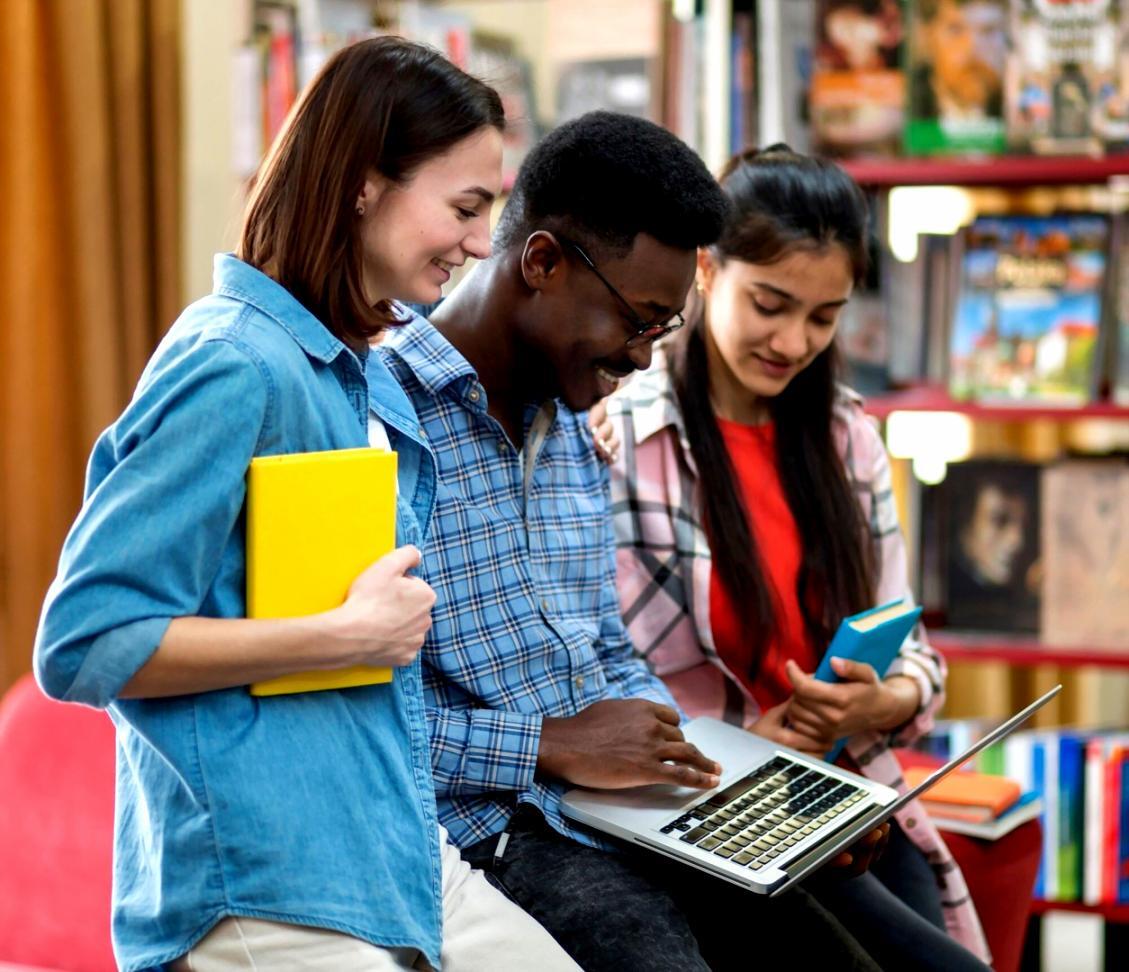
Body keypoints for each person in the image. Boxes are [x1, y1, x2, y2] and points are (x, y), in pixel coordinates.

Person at [33, 37, 580, 972]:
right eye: (464, 206)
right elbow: (84, 644)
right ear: (365, 184)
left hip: (389, 853)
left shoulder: (361, 372)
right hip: (264, 879)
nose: (481, 242)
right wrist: (341, 637)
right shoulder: (232, 363)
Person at [380, 111, 892, 972]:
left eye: (664, 331)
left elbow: (609, 653)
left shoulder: (573, 430)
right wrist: (548, 742)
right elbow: (349, 721)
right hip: (485, 831)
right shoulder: (377, 428)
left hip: (622, 811)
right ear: (541, 262)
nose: (648, 359)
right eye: (639, 321)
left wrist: (744, 788)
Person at [606, 145, 993, 971]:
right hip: (706, 807)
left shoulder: (846, 436)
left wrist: (874, 701)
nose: (792, 341)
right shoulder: (623, 437)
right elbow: (599, 681)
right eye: (770, 304)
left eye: (823, 317)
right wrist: (748, 741)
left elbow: (915, 651)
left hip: (843, 791)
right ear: (706, 269)